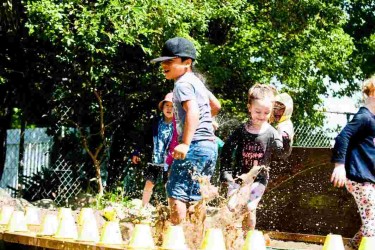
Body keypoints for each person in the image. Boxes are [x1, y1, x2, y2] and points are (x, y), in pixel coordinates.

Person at [151, 37, 219, 225]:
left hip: (194, 145)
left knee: (176, 191)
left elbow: (193, 111)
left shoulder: (181, 84)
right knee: (198, 194)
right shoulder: (196, 82)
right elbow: (215, 105)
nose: (164, 65)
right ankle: (197, 237)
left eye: (170, 61)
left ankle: (177, 237)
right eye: (163, 61)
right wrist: (206, 123)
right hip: (209, 146)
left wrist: (185, 142)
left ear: (186, 62)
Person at [220, 83, 291, 232]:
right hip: (239, 176)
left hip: (259, 178)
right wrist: (225, 173)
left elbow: (282, 154)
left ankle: (248, 239)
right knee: (231, 207)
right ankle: (230, 239)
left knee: (250, 207)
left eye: (266, 113)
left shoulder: (271, 132)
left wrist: (286, 142)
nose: (262, 116)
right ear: (249, 108)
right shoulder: (241, 130)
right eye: (258, 111)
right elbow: (227, 149)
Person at [330, 76, 375, 250]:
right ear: (372, 94)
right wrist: (339, 165)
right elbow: (343, 136)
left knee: (371, 221)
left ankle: (351, 247)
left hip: (368, 179)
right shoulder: (364, 117)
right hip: (358, 179)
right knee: (372, 222)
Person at [131, 92, 175, 207]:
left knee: (169, 185)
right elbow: (144, 137)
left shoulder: (178, 124)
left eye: (172, 106)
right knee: (149, 183)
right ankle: (143, 207)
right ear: (162, 108)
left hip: (170, 160)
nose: (169, 109)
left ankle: (172, 211)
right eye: (167, 106)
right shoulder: (155, 122)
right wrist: (137, 151)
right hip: (155, 158)